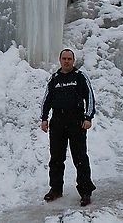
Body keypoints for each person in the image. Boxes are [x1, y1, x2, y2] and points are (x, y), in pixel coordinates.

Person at [40, 48, 96, 206]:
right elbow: (47, 100)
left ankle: (85, 191)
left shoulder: (80, 77)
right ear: (60, 60)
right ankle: (56, 189)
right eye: (64, 58)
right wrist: (44, 118)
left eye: (69, 59)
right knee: (56, 158)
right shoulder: (54, 78)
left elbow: (90, 97)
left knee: (80, 158)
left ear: (73, 60)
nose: (66, 61)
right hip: (57, 121)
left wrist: (88, 117)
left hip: (76, 121)